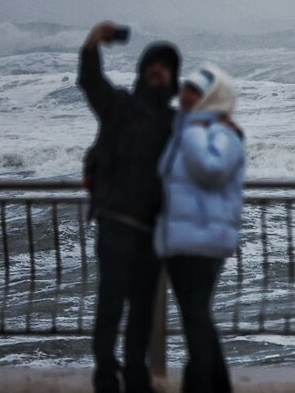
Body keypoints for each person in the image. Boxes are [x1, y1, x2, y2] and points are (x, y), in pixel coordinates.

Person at [79, 22, 181, 392]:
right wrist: (92, 43)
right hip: (116, 225)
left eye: (166, 66)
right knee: (109, 307)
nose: (159, 69)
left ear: (172, 78)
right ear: (143, 70)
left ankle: (136, 377)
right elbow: (91, 82)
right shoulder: (119, 106)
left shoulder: (174, 122)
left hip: (152, 232)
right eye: (154, 63)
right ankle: (106, 376)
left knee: (141, 313)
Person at [155, 63, 245, 393]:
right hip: (181, 239)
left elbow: (211, 170)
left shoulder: (223, 132)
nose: (187, 97)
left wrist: (191, 128)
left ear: (212, 96)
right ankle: (219, 386)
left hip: (204, 240)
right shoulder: (187, 129)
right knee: (198, 319)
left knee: (196, 320)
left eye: (196, 92)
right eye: (186, 91)